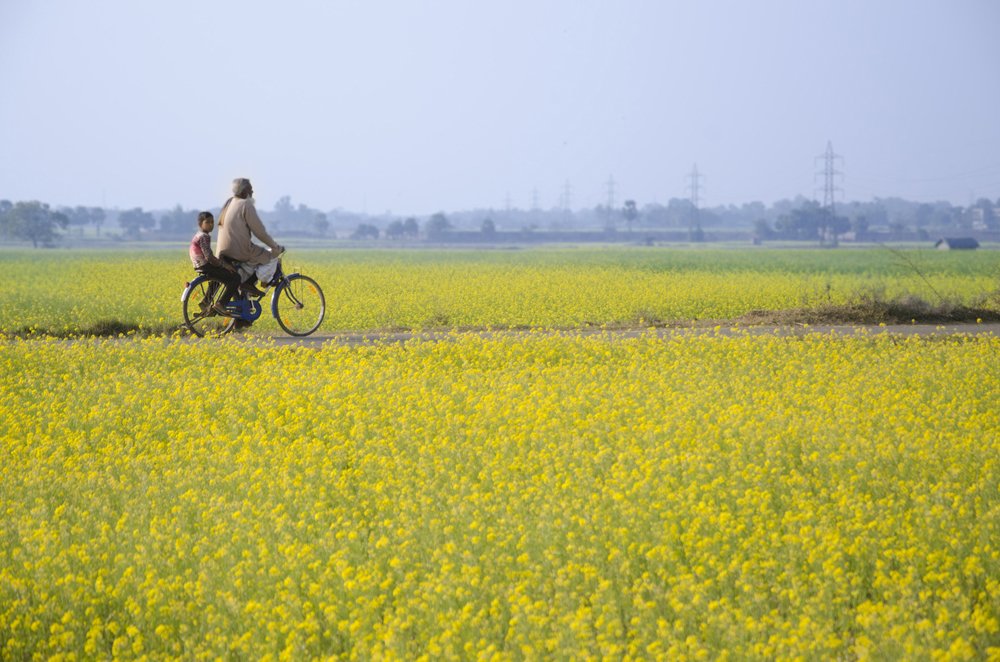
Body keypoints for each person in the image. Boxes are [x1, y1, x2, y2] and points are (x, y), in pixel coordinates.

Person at [217, 178, 285, 297]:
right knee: (271, 256)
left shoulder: (229, 202)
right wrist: (274, 246)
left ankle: (244, 296)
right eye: (250, 190)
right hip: (239, 250)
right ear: (244, 192)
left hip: (222, 250)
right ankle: (250, 284)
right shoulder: (246, 204)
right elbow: (259, 232)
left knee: (252, 261)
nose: (252, 192)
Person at [189, 211, 241, 315]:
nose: (211, 224)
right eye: (207, 222)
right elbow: (209, 257)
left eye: (212, 222)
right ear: (200, 223)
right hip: (205, 265)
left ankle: (206, 302)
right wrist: (224, 265)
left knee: (218, 278)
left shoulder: (198, 235)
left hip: (200, 265)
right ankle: (221, 304)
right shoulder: (204, 236)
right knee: (236, 277)